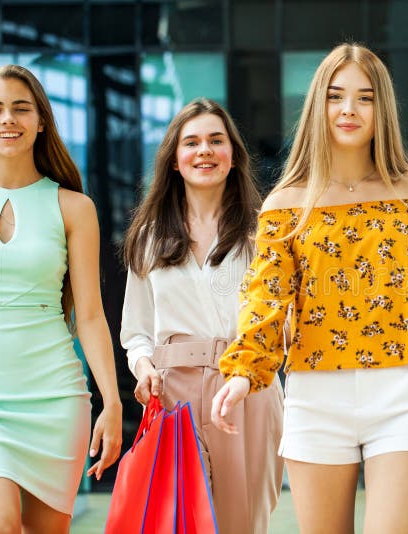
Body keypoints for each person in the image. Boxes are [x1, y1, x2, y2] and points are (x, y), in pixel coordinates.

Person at [210, 42, 408, 534]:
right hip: (315, 393)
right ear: (317, 105)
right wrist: (244, 372)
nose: (349, 110)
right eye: (335, 96)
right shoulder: (288, 200)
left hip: (403, 391)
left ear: (381, 107)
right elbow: (266, 297)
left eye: (364, 97)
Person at [0, 64, 122, 533]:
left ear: (41, 121)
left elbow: (90, 314)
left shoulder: (74, 207)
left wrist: (111, 401)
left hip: (54, 397)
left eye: (20, 108)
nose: (7, 119)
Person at [121, 97, 284, 533]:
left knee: (243, 522)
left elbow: (281, 323)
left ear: (234, 156)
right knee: (179, 521)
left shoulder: (264, 231)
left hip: (249, 388)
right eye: (191, 142)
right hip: (175, 396)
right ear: (175, 160)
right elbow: (135, 331)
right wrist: (143, 369)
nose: (205, 150)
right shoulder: (149, 236)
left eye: (217, 140)